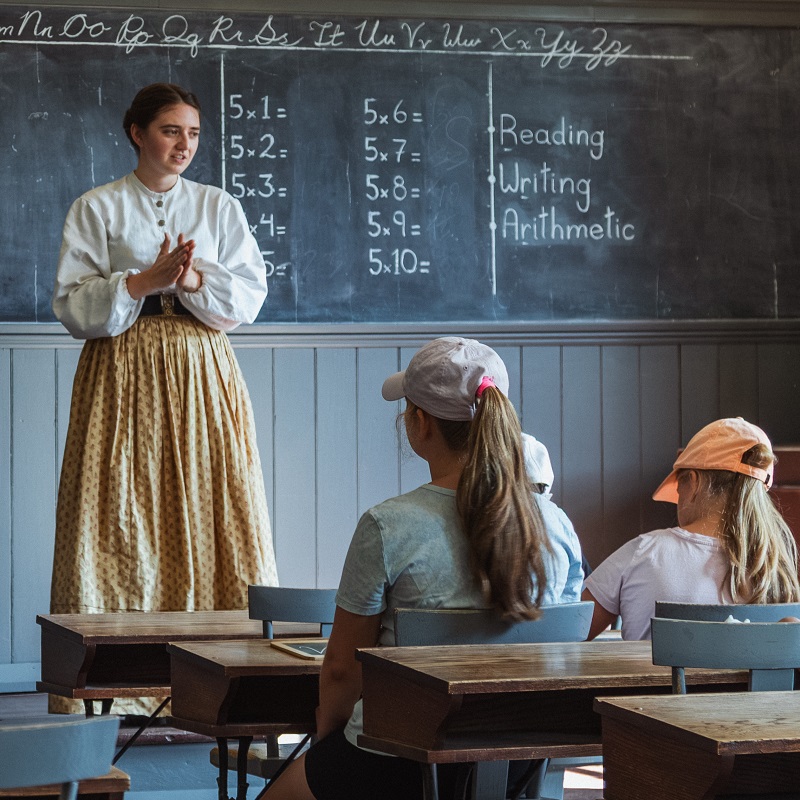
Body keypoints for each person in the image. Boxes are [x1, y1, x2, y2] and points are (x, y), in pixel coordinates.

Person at [266, 336, 584, 800]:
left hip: (394, 762)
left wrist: (327, 739)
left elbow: (340, 671)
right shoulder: (556, 525)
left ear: (420, 422)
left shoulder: (386, 526)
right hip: (514, 763)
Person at [50, 84, 278, 707]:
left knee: (216, 505)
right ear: (137, 133)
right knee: (118, 514)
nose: (184, 145)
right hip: (122, 369)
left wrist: (196, 277)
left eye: (194, 133)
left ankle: (228, 684)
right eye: (171, 131)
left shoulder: (217, 206)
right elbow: (73, 305)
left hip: (202, 368)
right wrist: (141, 282)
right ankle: (113, 689)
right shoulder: (96, 207)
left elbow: (249, 298)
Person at [583, 417, 800, 640]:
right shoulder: (777, 569)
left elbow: (568, 634)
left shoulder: (643, 552)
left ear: (694, 483)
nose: (677, 498)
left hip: (657, 677)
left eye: (679, 488)